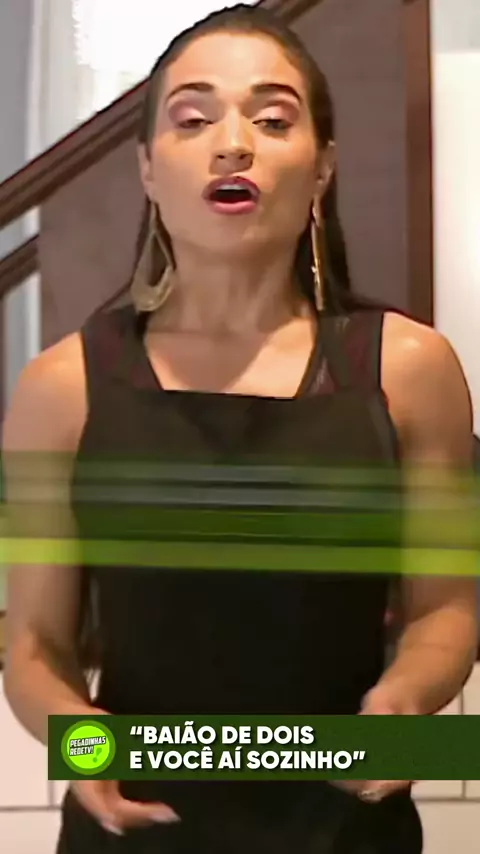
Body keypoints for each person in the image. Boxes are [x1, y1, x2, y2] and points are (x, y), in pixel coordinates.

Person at [2, 5, 478, 853]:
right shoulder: (60, 388)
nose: (232, 144)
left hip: (345, 829)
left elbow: (446, 610)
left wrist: (406, 702)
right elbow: (34, 642)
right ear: (148, 169)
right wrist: (79, 742)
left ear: (322, 167)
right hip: (134, 828)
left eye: (272, 119)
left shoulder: (410, 370)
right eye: (193, 119)